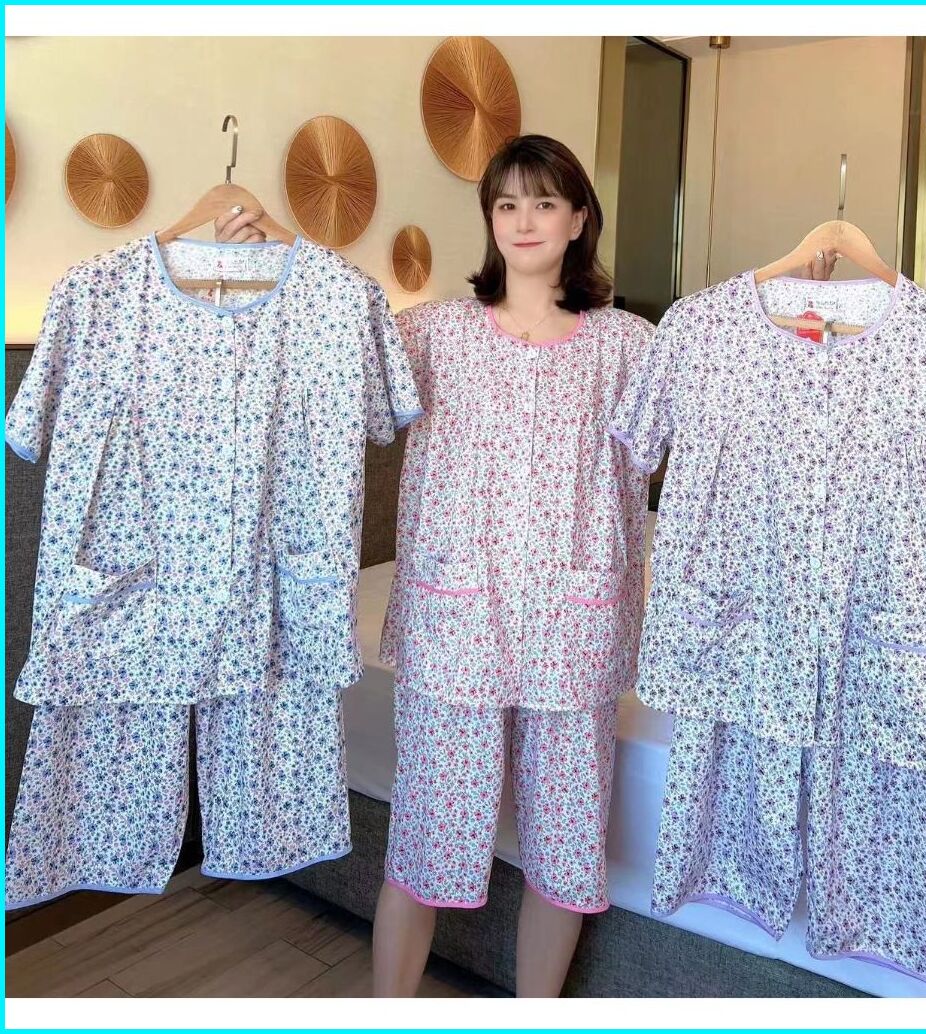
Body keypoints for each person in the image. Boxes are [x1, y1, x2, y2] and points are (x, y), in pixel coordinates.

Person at [214, 135, 837, 998]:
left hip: (577, 633)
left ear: (579, 219)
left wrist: (795, 310)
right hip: (455, 627)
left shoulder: (629, 345)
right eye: (506, 204)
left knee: (565, 853)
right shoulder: (433, 333)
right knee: (426, 843)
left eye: (544, 202)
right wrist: (278, 247)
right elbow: (338, 323)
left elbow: (729, 381)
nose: (524, 220)